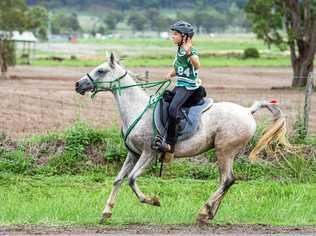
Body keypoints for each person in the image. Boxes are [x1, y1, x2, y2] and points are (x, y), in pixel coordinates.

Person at [156, 20, 201, 161]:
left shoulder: (190, 50)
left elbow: (197, 65)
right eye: (173, 34)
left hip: (189, 87)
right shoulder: (179, 50)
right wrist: (170, 73)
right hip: (180, 84)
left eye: (175, 34)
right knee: (164, 101)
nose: (172, 36)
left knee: (173, 109)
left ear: (185, 37)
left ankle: (170, 143)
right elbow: (180, 68)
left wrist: (189, 53)